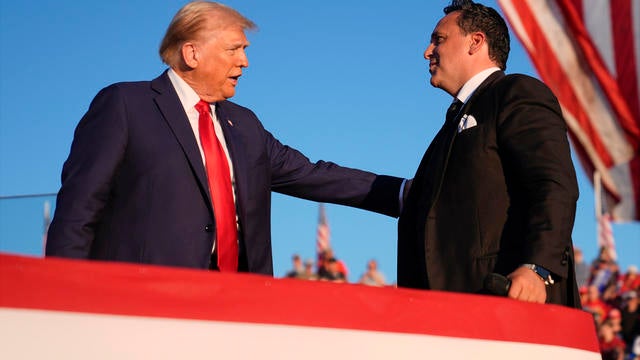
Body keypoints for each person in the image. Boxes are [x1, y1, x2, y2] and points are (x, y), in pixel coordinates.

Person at [46, 1, 406, 274]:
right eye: (234, 49)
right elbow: (79, 209)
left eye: (244, 50)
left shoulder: (245, 125)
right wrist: (66, 292)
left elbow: (314, 175)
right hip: (145, 304)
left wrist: (408, 193)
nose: (245, 62)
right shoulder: (125, 104)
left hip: (238, 310)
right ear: (192, 53)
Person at [397, 0, 580, 307]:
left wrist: (538, 267)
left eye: (439, 39)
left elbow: (553, 183)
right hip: (448, 317)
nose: (428, 51)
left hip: (511, 308)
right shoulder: (446, 130)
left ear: (476, 41)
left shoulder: (517, 93)